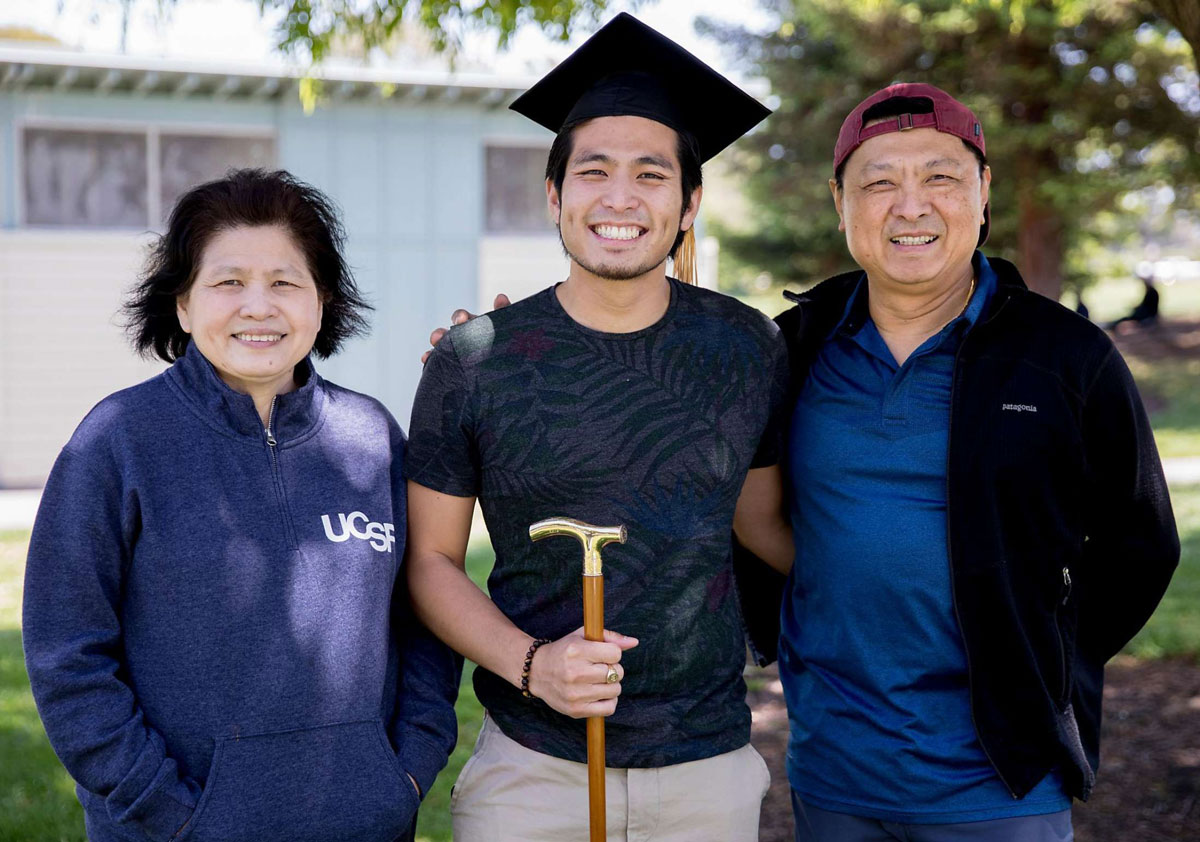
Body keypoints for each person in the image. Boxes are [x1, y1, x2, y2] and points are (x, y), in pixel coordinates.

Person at [404, 13, 792, 842]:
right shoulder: (476, 360)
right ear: (555, 194)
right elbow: (431, 561)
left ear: (689, 202)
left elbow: (763, 525)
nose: (621, 197)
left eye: (652, 175)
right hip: (533, 767)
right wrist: (532, 666)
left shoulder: (747, 346)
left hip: (706, 771)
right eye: (594, 171)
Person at [762, 83, 1180, 841]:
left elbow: (1140, 543)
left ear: (984, 191)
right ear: (840, 201)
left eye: (941, 177)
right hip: (834, 774)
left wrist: (1045, 654)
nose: (910, 205)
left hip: (1001, 784)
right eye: (879, 181)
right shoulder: (790, 349)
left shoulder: (1065, 357)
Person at [22, 168, 460, 842]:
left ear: (322, 301)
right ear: (184, 304)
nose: (259, 306)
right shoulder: (118, 441)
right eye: (228, 282)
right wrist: (171, 810)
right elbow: (68, 656)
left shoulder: (372, 439)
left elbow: (425, 617)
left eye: (285, 282)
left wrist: (404, 773)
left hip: (365, 824)